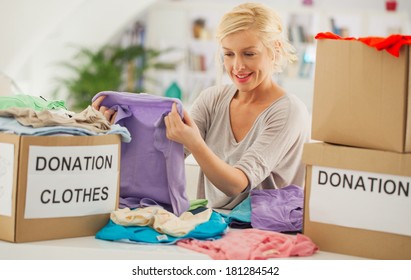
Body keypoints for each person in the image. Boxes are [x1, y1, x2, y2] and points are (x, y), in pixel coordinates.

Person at [93, 2, 310, 210]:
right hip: (213, 226)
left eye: (249, 54)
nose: (237, 66)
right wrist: (115, 135)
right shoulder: (213, 99)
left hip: (266, 235)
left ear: (275, 50)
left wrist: (195, 143)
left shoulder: (288, 111)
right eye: (229, 54)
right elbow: (159, 162)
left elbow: (237, 185)